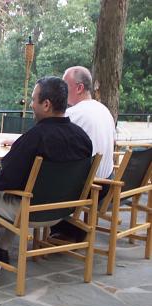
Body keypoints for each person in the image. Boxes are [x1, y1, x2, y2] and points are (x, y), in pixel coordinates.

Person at [0, 76, 93, 263]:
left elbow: (7, 180)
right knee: (21, 189)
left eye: (33, 99)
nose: (31, 104)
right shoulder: (83, 138)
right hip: (62, 212)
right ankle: (2, 249)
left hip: (30, 211)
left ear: (46, 104)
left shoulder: (34, 138)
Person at [49, 66, 116, 241]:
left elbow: (45, 140)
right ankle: (69, 229)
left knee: (41, 177)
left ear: (79, 88)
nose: (61, 91)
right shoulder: (104, 111)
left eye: (65, 86)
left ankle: (66, 228)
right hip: (106, 183)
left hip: (85, 189)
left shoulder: (73, 114)